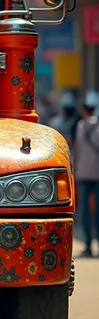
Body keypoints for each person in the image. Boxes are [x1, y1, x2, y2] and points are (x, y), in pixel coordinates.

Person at [73, 99, 99, 256]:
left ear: (84, 111)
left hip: (83, 173)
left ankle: (88, 244)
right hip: (97, 173)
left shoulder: (81, 126)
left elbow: (76, 150)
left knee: (84, 211)